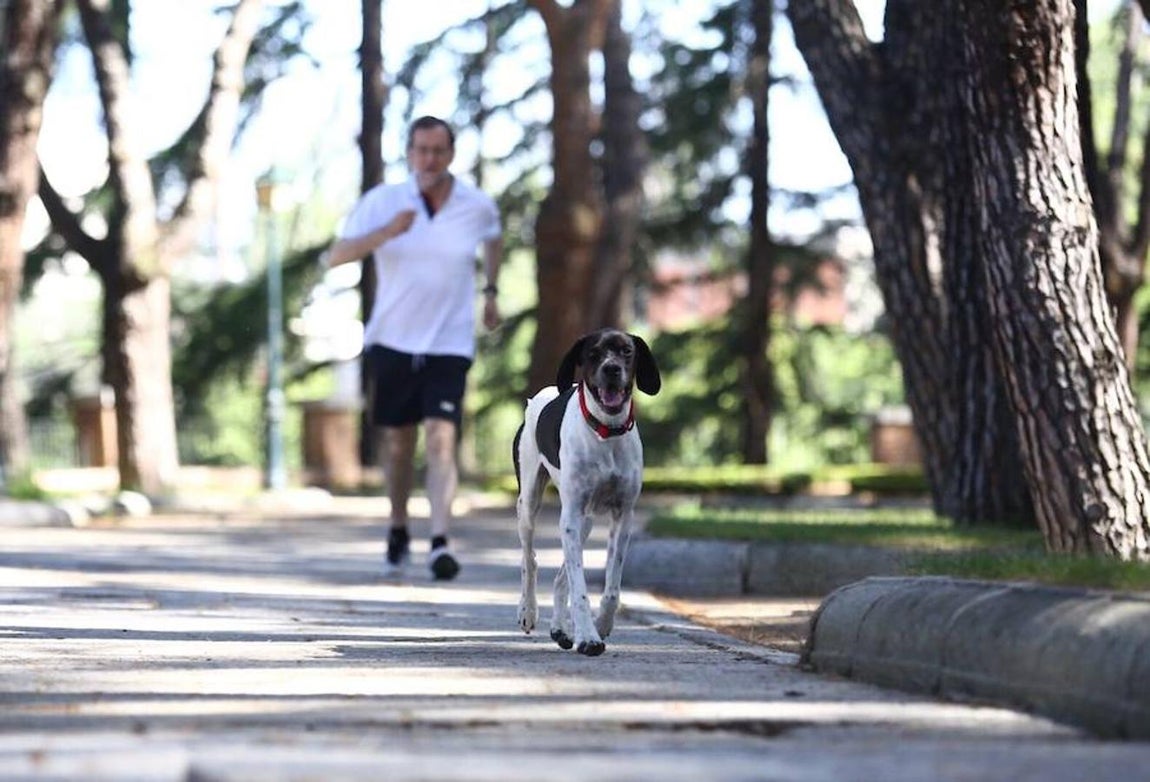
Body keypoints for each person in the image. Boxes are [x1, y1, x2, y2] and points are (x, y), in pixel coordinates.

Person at [326, 115, 503, 580]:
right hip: (391, 339)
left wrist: (491, 292)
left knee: (442, 436)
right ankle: (399, 525)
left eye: (438, 151)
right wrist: (385, 233)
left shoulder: (476, 205)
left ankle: (441, 541)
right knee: (400, 444)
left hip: (450, 341)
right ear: (409, 152)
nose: (429, 159)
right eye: (421, 150)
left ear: (451, 154)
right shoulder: (384, 201)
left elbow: (494, 238)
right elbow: (335, 255)